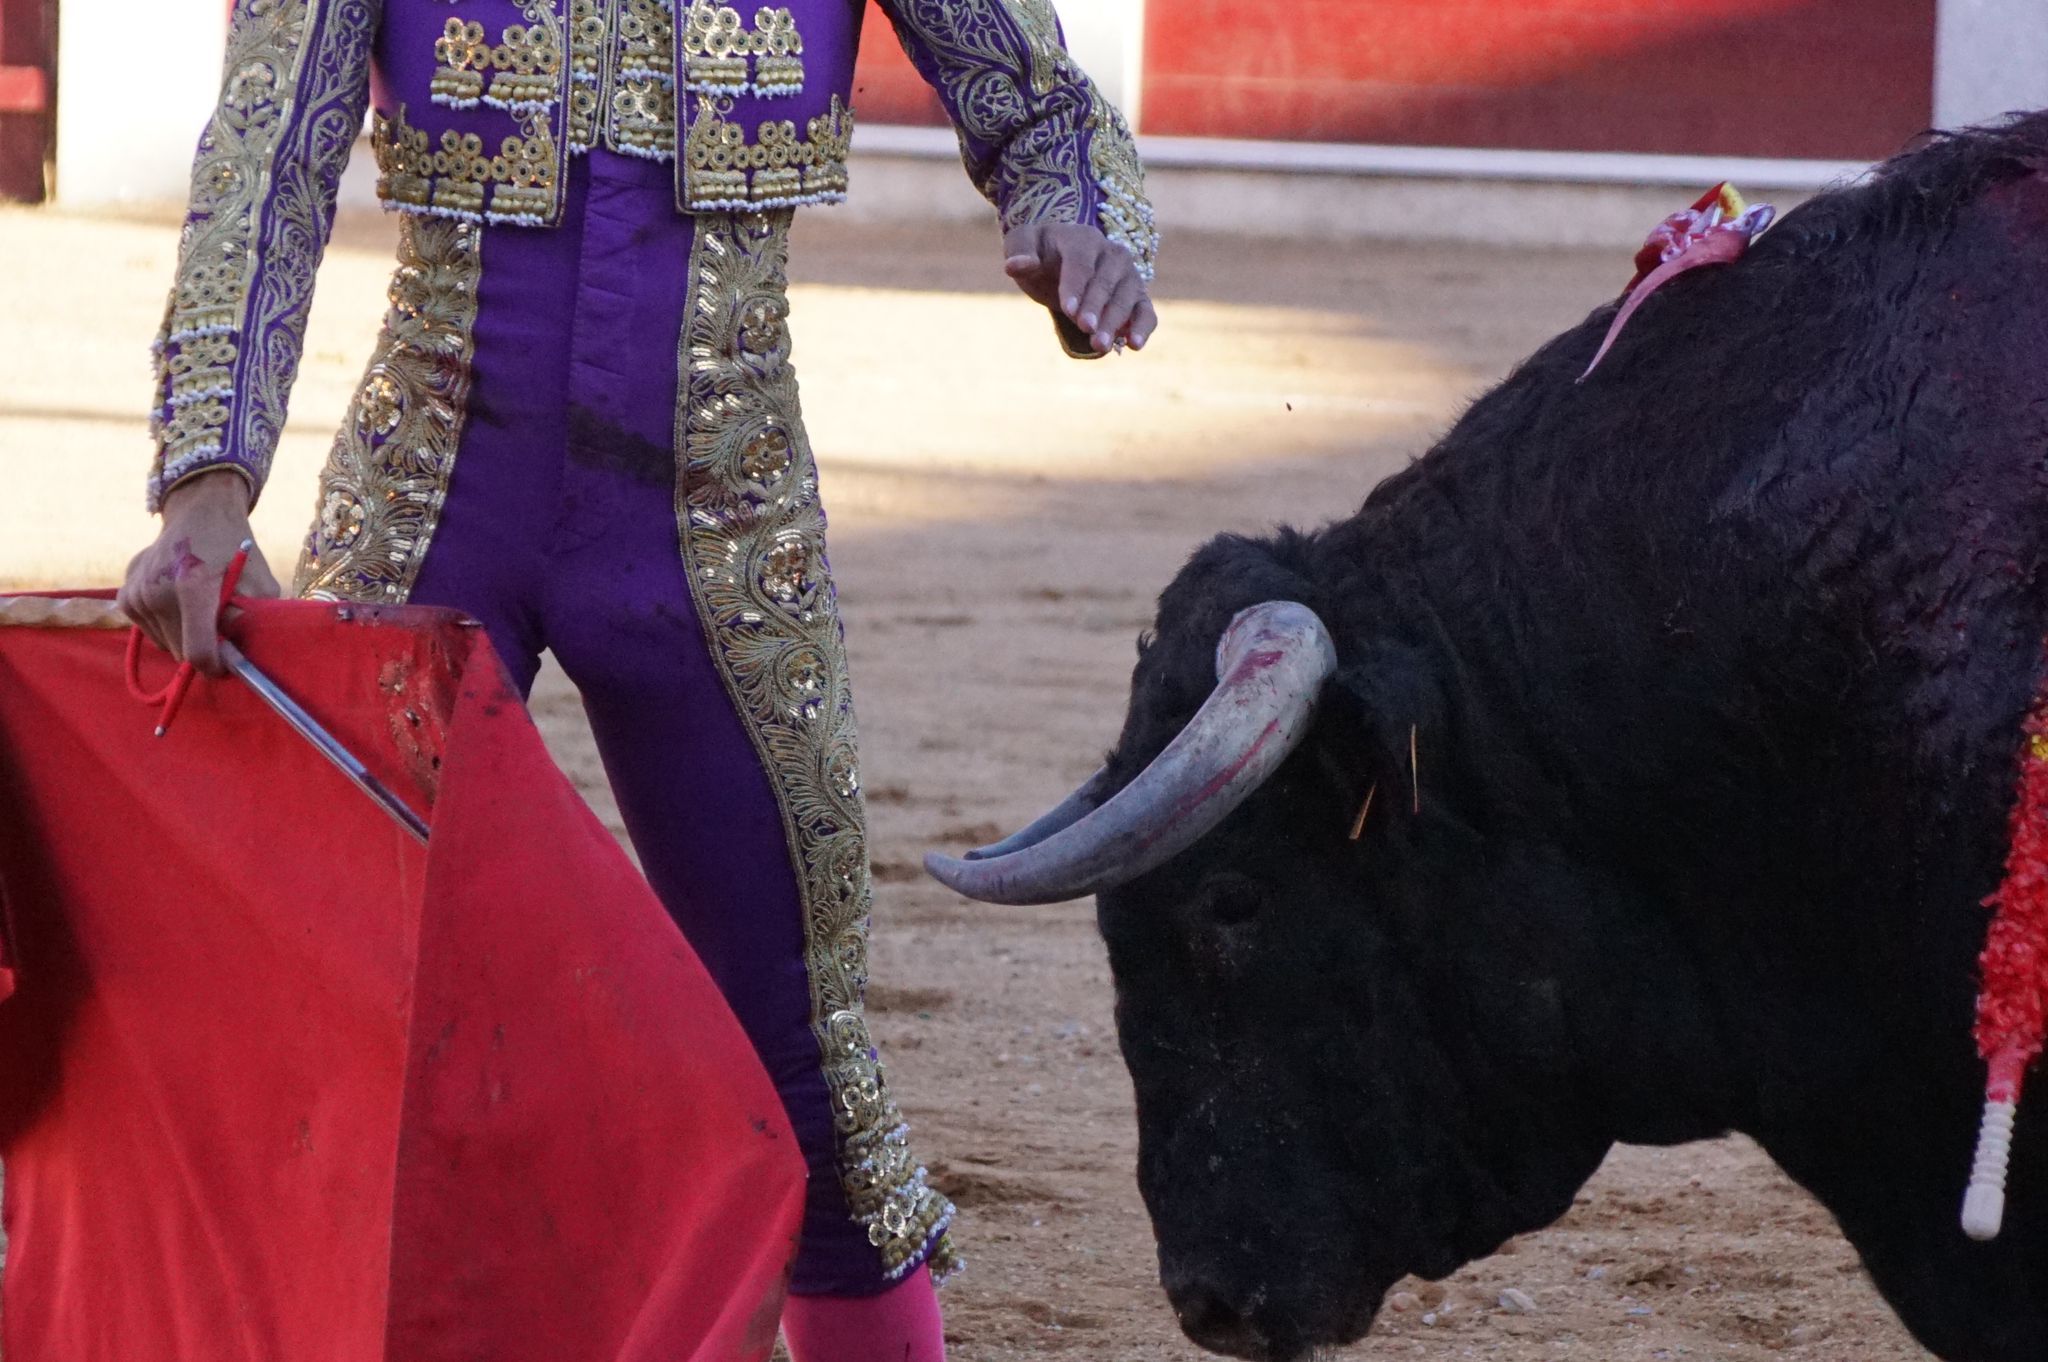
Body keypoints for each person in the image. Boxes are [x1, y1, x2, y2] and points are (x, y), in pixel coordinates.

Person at [116, 1, 1157, 1357]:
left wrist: (1080, 220)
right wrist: (207, 478)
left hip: (718, 524)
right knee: (329, 1024)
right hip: (436, 494)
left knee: (802, 1057)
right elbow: (271, 148)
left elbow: (1042, 108)